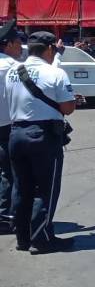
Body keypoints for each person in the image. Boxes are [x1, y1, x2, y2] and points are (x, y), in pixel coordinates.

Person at [6, 32, 76, 254]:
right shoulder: (55, 72)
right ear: (48, 49)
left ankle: (23, 238)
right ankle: (42, 239)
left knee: (21, 188)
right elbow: (68, 108)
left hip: (16, 133)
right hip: (43, 136)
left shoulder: (12, 72)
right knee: (45, 189)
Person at [0, 19, 24, 235]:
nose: (21, 47)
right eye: (18, 43)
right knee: (10, 173)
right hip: (7, 127)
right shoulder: (14, 67)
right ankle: (5, 215)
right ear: (8, 44)